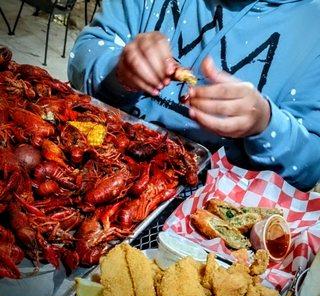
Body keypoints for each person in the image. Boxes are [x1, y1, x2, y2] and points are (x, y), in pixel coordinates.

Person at [68, 0, 320, 191]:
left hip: (205, 216)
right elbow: (85, 53)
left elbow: (310, 166)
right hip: (87, 162)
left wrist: (265, 124)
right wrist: (117, 70)